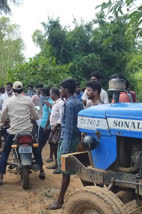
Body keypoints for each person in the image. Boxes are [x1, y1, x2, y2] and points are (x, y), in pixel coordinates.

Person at [0, 81, 45, 184]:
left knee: (5, 152)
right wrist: (33, 117)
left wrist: (2, 123)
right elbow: (35, 115)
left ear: (13, 90)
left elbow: (3, 116)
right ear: (22, 90)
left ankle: (1, 176)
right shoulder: (28, 100)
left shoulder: (9, 101)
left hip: (13, 131)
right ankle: (41, 170)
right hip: (27, 130)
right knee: (36, 149)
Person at [49, 79, 83, 210]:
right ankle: (90, 191)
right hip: (76, 140)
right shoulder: (78, 102)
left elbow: (68, 127)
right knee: (80, 169)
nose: (60, 91)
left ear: (67, 90)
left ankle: (60, 201)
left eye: (61, 89)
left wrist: (66, 151)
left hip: (68, 141)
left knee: (65, 172)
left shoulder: (68, 104)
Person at [46, 88, 64, 170]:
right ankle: (56, 163)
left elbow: (62, 116)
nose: (50, 95)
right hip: (53, 127)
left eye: (50, 94)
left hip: (57, 127)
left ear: (54, 94)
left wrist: (56, 125)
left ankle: (59, 164)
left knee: (56, 145)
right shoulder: (55, 103)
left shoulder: (60, 103)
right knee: (52, 143)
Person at [38, 87, 53, 162]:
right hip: (43, 124)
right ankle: (38, 155)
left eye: (41, 94)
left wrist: (46, 126)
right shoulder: (46, 102)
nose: (40, 95)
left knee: (41, 142)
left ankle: (38, 156)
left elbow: (50, 114)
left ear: (44, 94)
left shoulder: (49, 102)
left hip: (46, 125)